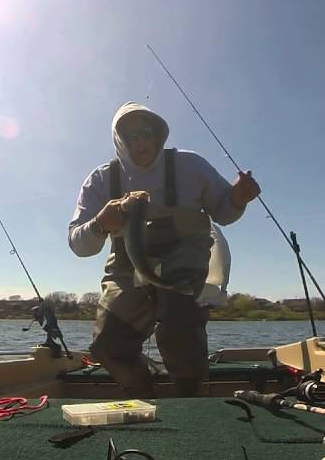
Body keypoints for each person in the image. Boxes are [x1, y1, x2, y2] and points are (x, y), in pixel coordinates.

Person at [68, 102, 261, 397]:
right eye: (131, 135)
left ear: (159, 134)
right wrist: (99, 224)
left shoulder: (191, 165)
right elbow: (78, 244)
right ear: (119, 139)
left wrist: (238, 197)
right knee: (106, 343)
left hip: (184, 263)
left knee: (178, 323)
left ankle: (191, 398)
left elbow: (224, 212)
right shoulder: (101, 179)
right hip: (128, 268)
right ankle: (142, 391)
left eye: (146, 132)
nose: (141, 141)